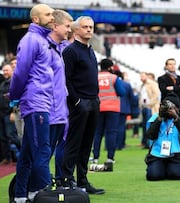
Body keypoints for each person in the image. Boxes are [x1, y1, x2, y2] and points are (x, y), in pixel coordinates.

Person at [9, 4, 54, 203]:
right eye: (48, 14)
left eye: (53, 13)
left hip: (40, 102)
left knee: (27, 154)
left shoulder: (42, 40)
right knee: (42, 152)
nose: (52, 17)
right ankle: (40, 194)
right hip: (36, 103)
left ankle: (20, 196)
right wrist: (15, 96)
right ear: (36, 19)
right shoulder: (31, 40)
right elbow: (20, 72)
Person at [61, 16, 105, 195]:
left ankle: (83, 180)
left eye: (91, 27)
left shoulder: (90, 50)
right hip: (80, 103)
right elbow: (66, 79)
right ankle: (67, 180)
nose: (89, 30)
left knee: (87, 143)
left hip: (93, 101)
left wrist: (95, 99)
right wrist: (76, 100)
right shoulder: (70, 51)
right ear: (76, 29)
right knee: (74, 143)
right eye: (85, 27)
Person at [47, 9, 73, 181]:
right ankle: (31, 188)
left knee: (64, 143)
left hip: (63, 106)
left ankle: (61, 178)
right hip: (47, 106)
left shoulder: (65, 48)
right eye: (67, 26)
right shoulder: (43, 46)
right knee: (44, 149)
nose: (69, 30)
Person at [145, 93, 180, 181]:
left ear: (177, 108)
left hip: (176, 155)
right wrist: (159, 118)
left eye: (171, 108)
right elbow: (150, 135)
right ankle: (160, 168)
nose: (168, 110)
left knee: (177, 175)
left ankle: (168, 169)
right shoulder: (156, 118)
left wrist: (176, 118)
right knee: (153, 176)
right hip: (158, 153)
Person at [92, 59, 125, 164]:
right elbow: (122, 92)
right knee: (111, 132)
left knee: (97, 133)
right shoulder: (114, 78)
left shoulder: (95, 77)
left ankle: (95, 157)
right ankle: (110, 157)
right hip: (112, 108)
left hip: (98, 108)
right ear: (110, 67)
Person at [0, 64, 20, 165]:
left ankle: (20, 155)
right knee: (3, 137)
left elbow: (15, 97)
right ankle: (7, 158)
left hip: (9, 113)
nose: (5, 72)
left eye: (7, 70)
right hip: (1, 114)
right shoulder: (3, 83)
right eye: (4, 71)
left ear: (11, 71)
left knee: (12, 136)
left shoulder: (13, 82)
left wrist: (13, 111)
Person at [139, 72, 161, 148]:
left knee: (149, 125)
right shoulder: (143, 85)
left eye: (142, 76)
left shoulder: (152, 84)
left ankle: (150, 143)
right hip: (145, 107)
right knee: (145, 126)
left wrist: (150, 104)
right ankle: (146, 143)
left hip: (150, 108)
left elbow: (156, 95)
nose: (141, 78)